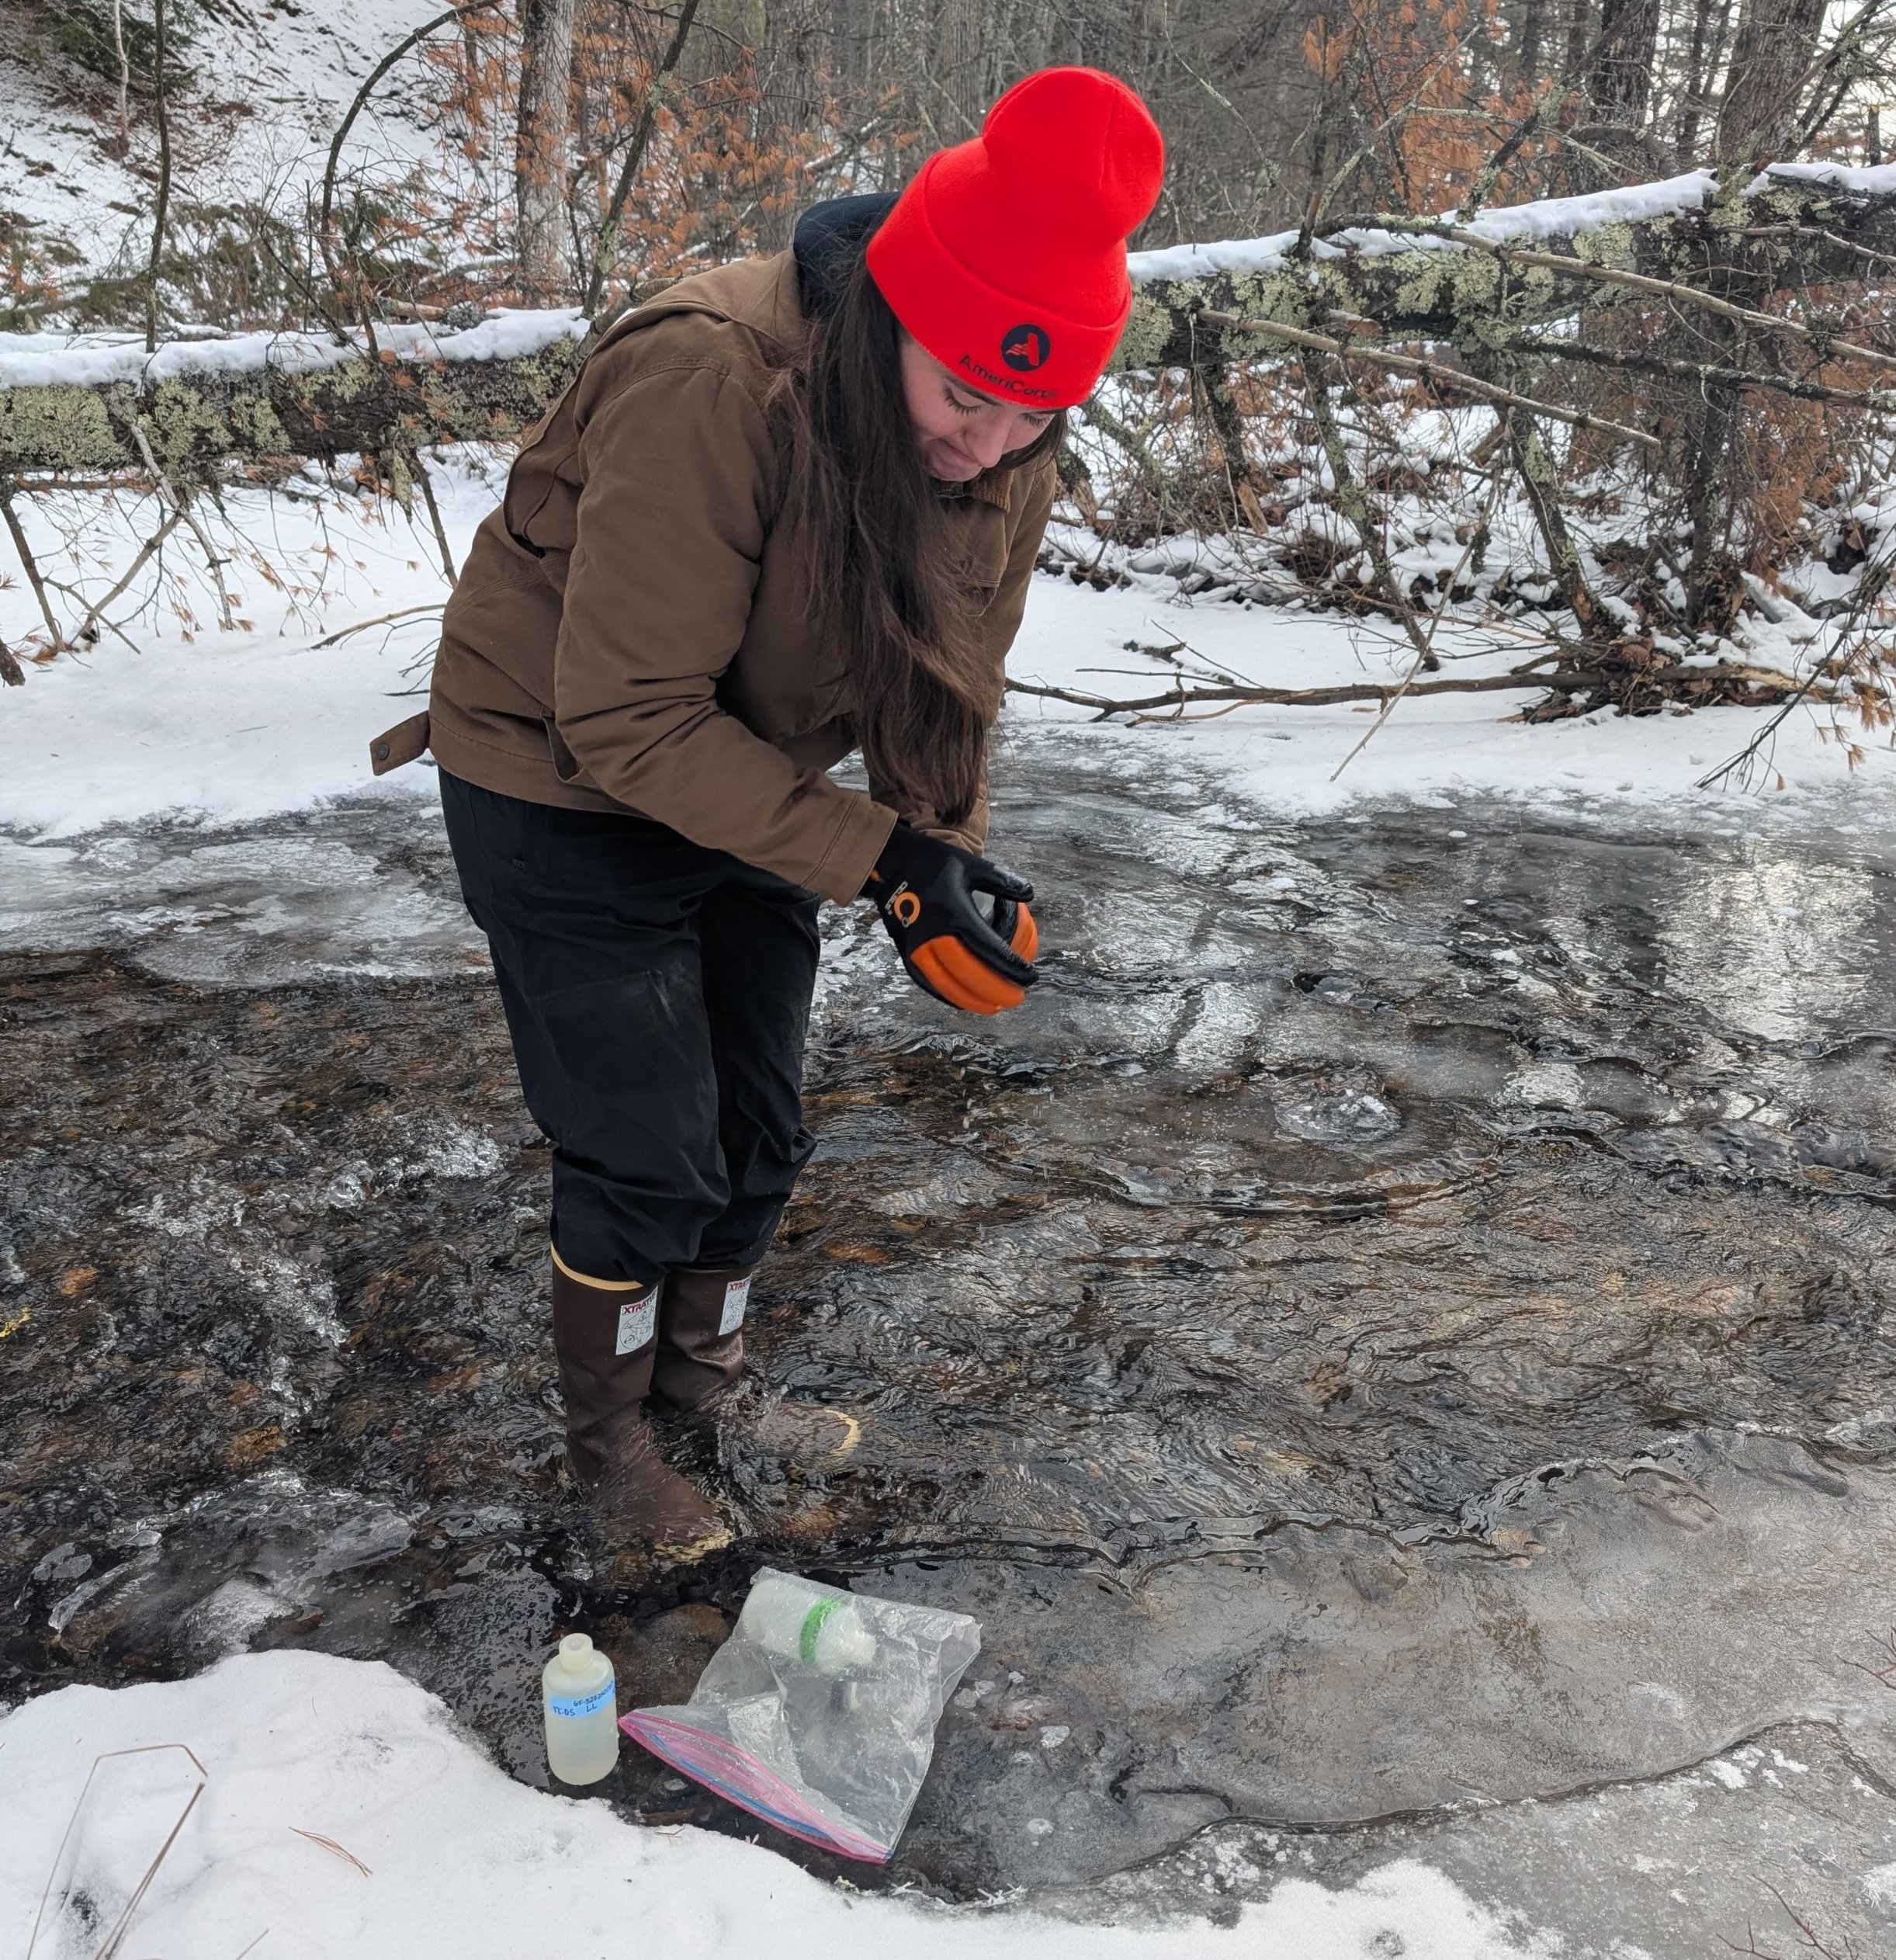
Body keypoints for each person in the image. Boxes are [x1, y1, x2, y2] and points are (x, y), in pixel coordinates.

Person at [370, 67, 1165, 1570]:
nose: (989, 447)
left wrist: (946, 854)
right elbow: (622, 720)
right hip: (554, 758)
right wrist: (874, 860)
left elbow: (949, 677)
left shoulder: (1007, 440)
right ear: (895, 318)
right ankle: (608, 1454)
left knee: (758, 1126)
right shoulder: (716, 376)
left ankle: (702, 1393)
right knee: (644, 1148)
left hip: (743, 762)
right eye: (967, 398)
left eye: (1034, 413)